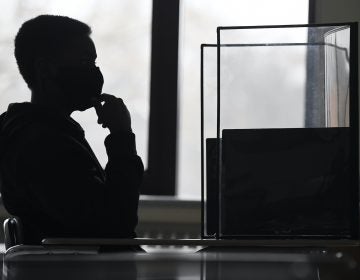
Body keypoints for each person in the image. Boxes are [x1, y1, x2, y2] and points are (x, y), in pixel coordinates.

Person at [0, 15, 144, 245]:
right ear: (45, 69)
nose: (95, 74)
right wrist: (121, 137)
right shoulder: (43, 145)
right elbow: (117, 225)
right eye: (85, 63)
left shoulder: (44, 132)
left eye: (95, 64)